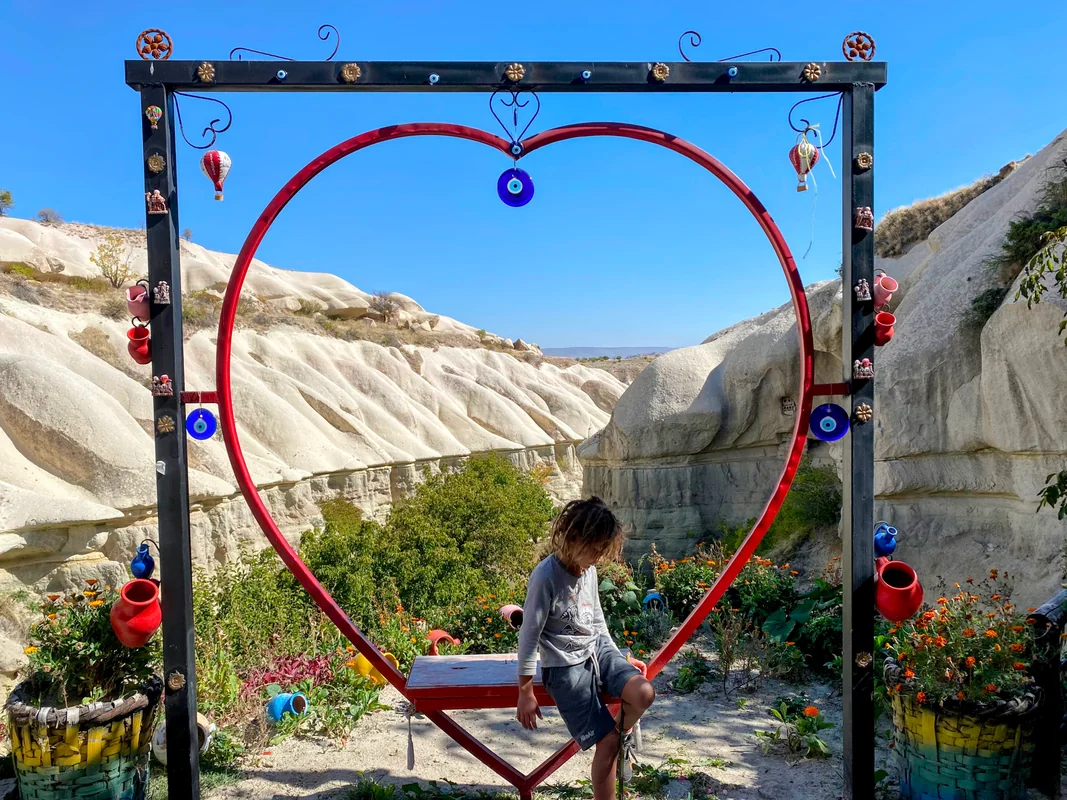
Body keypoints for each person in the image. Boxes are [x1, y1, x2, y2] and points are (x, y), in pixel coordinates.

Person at [516, 497, 656, 800]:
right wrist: (525, 691)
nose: (598, 557)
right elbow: (528, 635)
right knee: (607, 745)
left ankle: (623, 735)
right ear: (572, 537)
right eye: (594, 549)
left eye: (602, 550)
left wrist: (619, 656)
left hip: (599, 650)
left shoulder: (588, 570)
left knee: (643, 693)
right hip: (565, 666)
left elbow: (596, 620)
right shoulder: (546, 576)